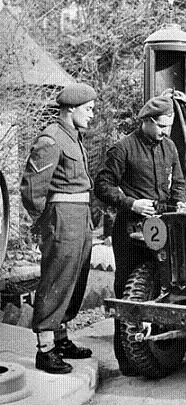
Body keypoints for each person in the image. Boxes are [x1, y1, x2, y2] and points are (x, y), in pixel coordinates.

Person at [94, 95, 186, 375]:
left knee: (164, 284)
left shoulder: (169, 147)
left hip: (161, 225)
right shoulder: (123, 148)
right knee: (128, 290)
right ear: (146, 121)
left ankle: (161, 351)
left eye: (169, 126)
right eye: (160, 126)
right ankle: (128, 360)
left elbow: (179, 182)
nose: (165, 132)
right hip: (131, 228)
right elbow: (102, 185)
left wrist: (179, 201)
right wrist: (131, 203)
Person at [20, 82, 97, 374]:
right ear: (71, 109)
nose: (91, 115)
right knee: (56, 278)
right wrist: (44, 224)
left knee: (75, 278)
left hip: (80, 216)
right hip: (62, 218)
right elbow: (32, 189)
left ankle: (61, 338)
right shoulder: (51, 139)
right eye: (87, 110)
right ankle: (45, 349)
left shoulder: (73, 137)